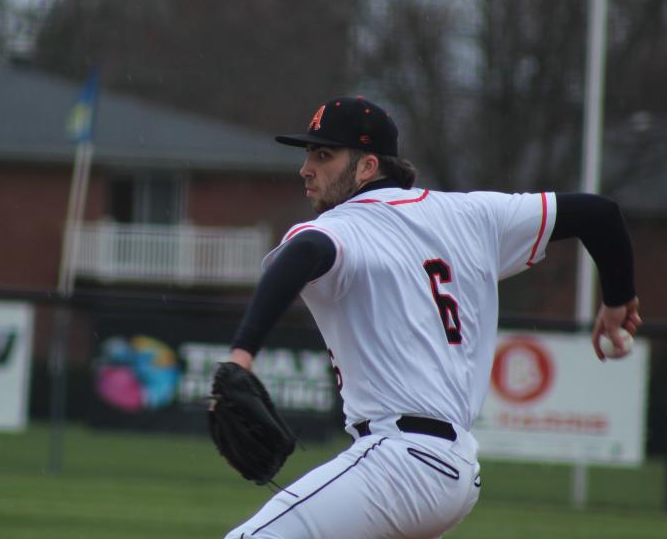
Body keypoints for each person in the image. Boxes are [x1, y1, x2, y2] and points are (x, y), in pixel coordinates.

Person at [222, 96, 641, 539]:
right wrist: (617, 302)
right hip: (453, 468)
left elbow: (304, 253)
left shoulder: (343, 226)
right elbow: (601, 215)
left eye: (323, 155)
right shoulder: (474, 215)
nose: (306, 168)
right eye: (308, 153)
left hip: (398, 462)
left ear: (367, 166)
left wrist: (241, 355)